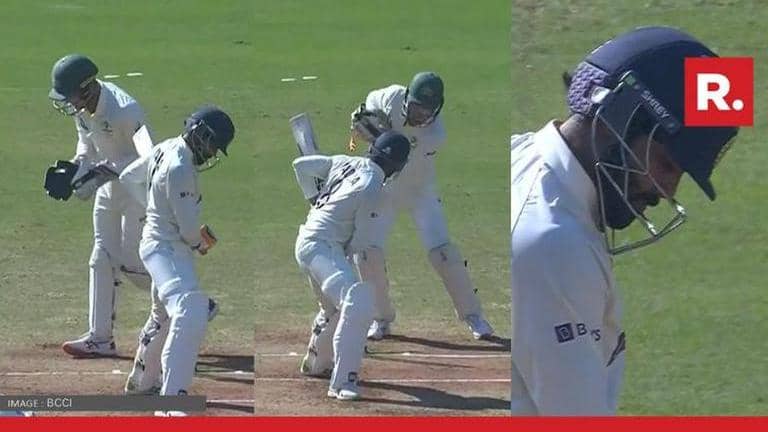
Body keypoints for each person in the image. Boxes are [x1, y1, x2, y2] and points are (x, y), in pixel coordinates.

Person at [509, 26, 739, 415]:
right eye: (666, 164)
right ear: (615, 118)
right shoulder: (553, 245)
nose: (667, 191)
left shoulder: (523, 155)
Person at [348, 72, 493, 341]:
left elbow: (398, 153)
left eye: (427, 111)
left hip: (420, 191)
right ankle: (381, 319)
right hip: (384, 191)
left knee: (444, 254)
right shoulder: (389, 96)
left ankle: (473, 316)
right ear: (406, 99)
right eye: (416, 107)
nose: (420, 115)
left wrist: (380, 136)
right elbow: (368, 106)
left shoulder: (436, 134)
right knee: (367, 254)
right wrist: (363, 120)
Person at [118, 106, 234, 414]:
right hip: (168, 250)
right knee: (190, 311)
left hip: (160, 246)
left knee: (162, 315)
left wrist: (155, 208)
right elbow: (187, 230)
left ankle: (142, 380)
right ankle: (172, 400)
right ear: (201, 134)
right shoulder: (180, 168)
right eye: (213, 144)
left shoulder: (166, 146)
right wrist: (199, 243)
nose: (212, 153)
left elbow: (129, 177)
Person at [46, 54, 152, 357]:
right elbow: (86, 142)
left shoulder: (126, 111)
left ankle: (189, 299)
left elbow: (148, 158)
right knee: (101, 258)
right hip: (108, 189)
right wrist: (76, 167)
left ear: (87, 88)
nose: (68, 103)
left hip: (136, 192)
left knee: (133, 263)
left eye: (70, 95)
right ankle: (100, 338)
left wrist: (103, 171)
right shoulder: (83, 109)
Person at [295, 131, 411, 400]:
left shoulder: (344, 161)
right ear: (398, 166)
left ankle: (317, 362)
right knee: (357, 302)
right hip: (322, 248)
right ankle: (343, 382)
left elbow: (300, 165)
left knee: (335, 308)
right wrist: (345, 252)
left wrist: (313, 197)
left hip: (309, 241)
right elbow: (362, 241)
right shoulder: (374, 189)